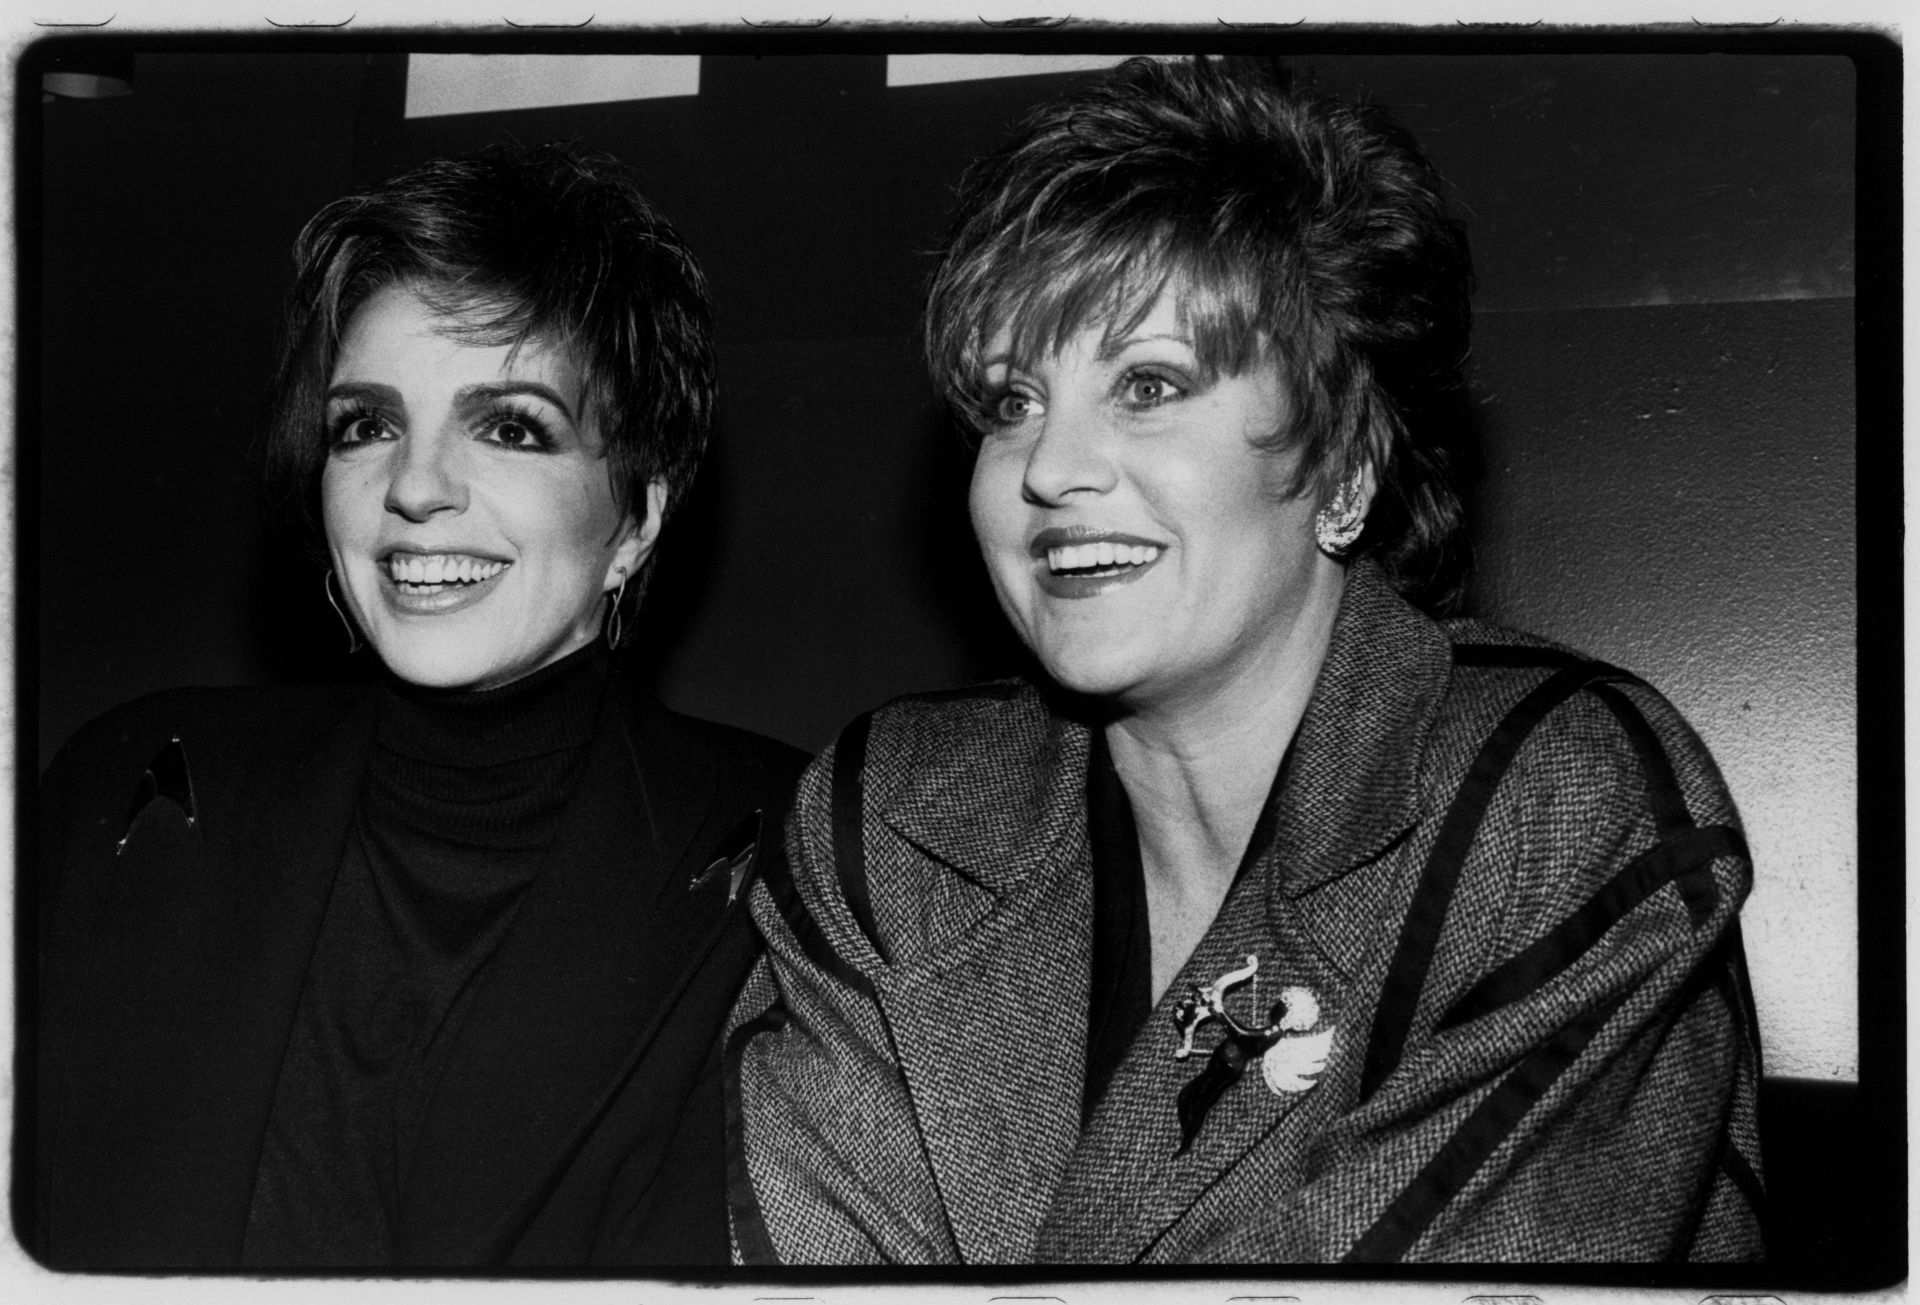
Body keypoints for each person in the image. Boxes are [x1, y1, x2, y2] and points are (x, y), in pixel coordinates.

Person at [726, 58, 1765, 1264]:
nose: (1048, 468)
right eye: (1012, 402)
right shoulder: (889, 817)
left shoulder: (1550, 803)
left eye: (1147, 384)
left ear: (1342, 462)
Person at [33, 143, 806, 1269]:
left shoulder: (803, 859)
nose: (414, 486)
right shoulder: (126, 786)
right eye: (367, 424)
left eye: (510, 426)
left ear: (636, 521)